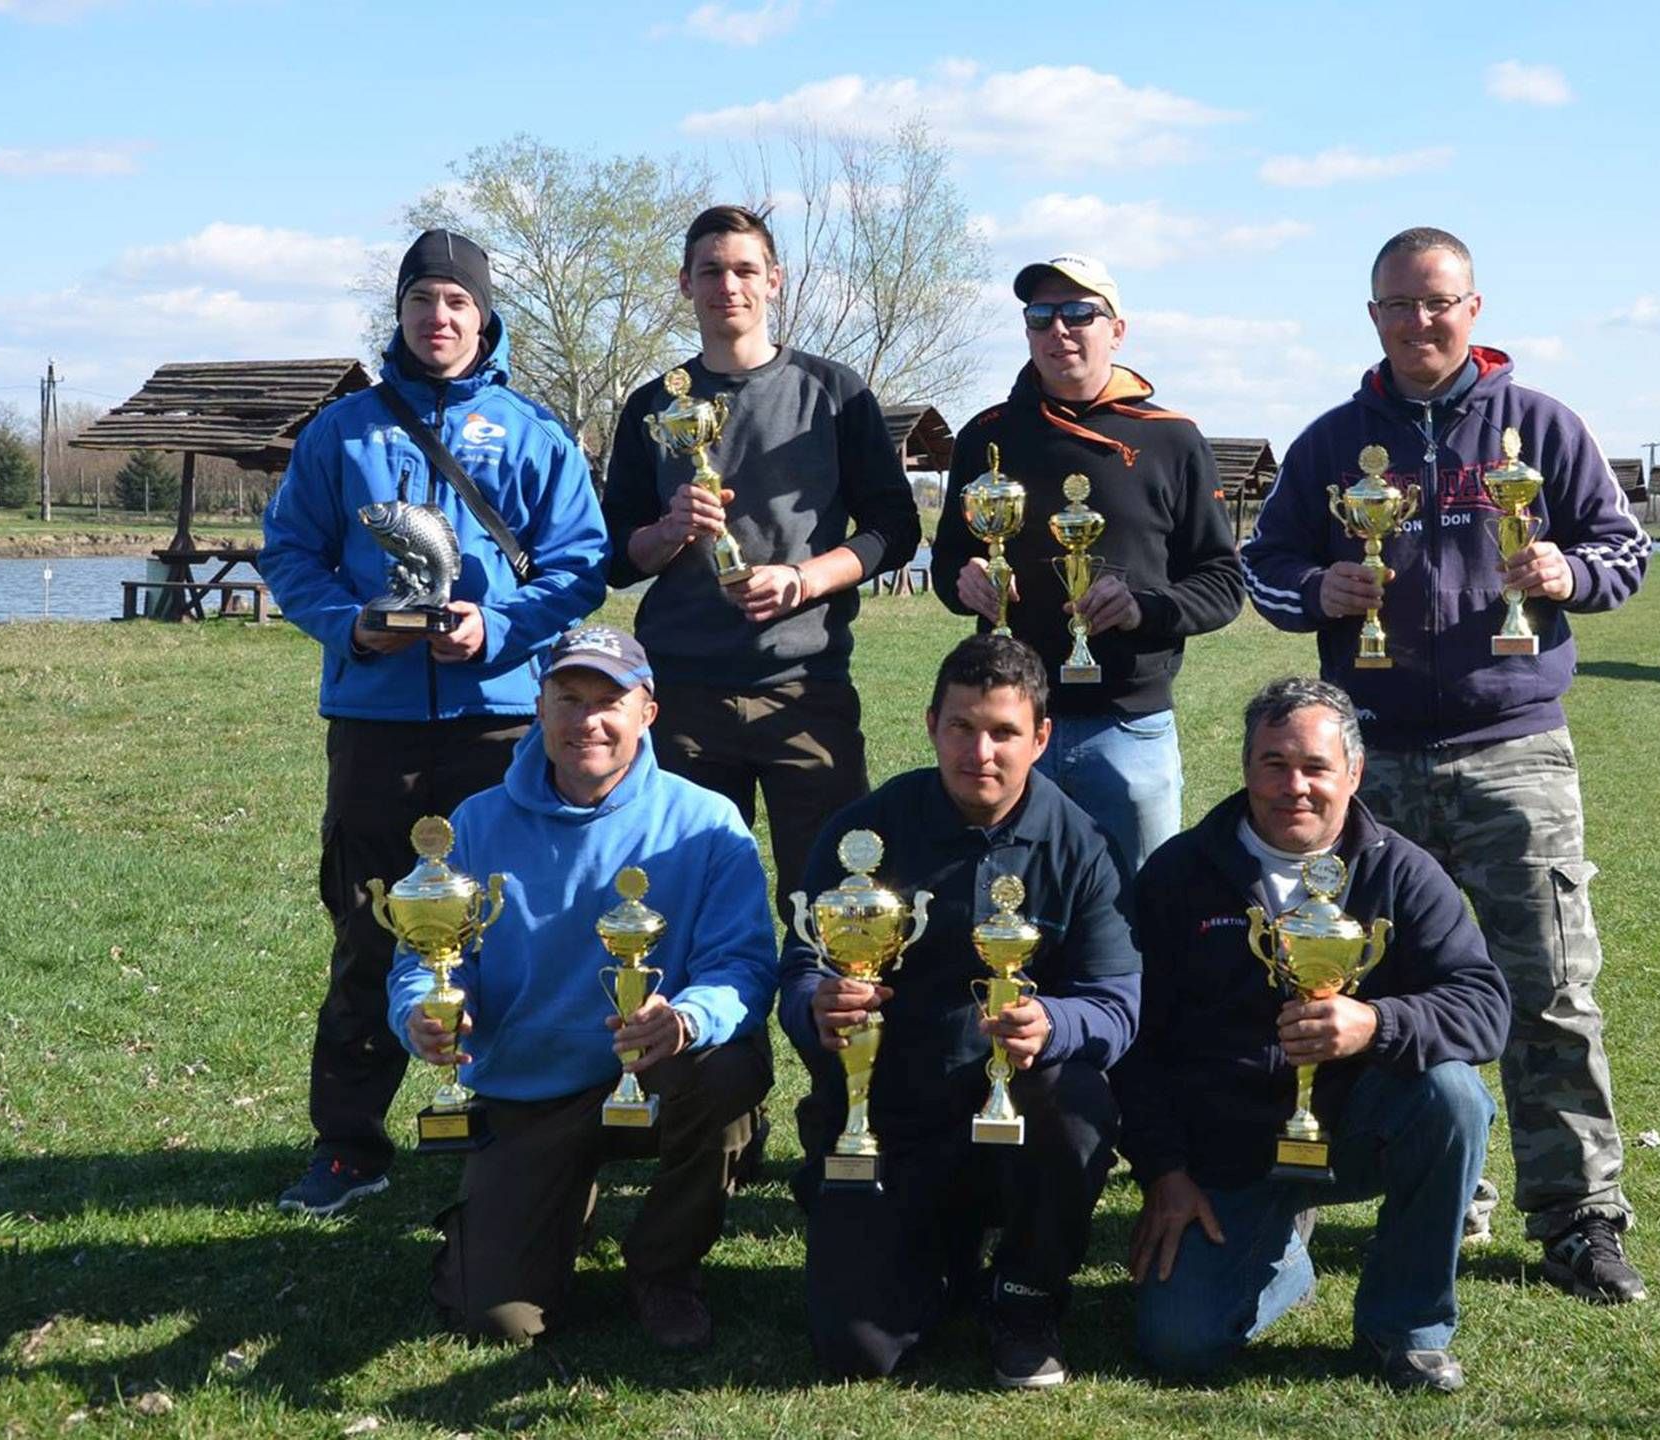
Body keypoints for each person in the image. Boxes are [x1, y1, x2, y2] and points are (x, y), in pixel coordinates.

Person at [1240, 226, 1654, 1303]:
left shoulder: (1543, 427)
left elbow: (1627, 551)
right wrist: (1320, 590)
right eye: (1398, 304)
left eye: (1439, 303)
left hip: (1512, 750)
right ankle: (1442, 1189)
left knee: (1550, 989)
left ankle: (1579, 1215)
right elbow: (1264, 568)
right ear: (1371, 315)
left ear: (1474, 309)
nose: (1420, 322)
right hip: (1368, 770)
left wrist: (1567, 568)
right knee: (1386, 982)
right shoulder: (1335, 443)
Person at [261, 228, 608, 1217]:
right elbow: (290, 554)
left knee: (513, 923)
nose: (439, 317)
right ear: (401, 314)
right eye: (423, 300)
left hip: (499, 724)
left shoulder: (533, 432)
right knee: (373, 923)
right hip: (374, 723)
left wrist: (499, 630)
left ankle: (518, 1119)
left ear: (485, 317)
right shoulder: (344, 434)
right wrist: (352, 629)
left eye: (457, 302)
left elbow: (581, 565)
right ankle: (348, 1144)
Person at [1115, 676, 1509, 1392]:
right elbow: (1134, 1042)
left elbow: (1485, 1006)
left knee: (1453, 1096)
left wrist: (1377, 1024)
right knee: (1180, 1345)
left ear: (1353, 774)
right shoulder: (1179, 874)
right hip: (1227, 1150)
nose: (1294, 786)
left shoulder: (1401, 872)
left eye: (1316, 767)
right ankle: (1285, 1258)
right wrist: (1164, 1172)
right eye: (1273, 764)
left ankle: (1406, 1328)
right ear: (1244, 768)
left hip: (1359, 1128)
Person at [388, 625, 777, 1349]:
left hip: (658, 1073)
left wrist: (687, 1018)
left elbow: (745, 966)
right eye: (569, 699)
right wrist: (423, 1008)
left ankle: (664, 1268)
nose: (587, 722)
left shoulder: (708, 822)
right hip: (530, 1091)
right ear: (539, 707)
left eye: (610, 701)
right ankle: (547, 1203)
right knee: (499, 1321)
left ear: (647, 713)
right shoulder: (475, 824)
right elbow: (423, 958)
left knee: (727, 1071)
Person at [777, 634, 1141, 1388]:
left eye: (1005, 731)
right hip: (891, 1114)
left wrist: (1055, 1025)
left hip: (1021, 1116)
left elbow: (1118, 1000)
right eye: (962, 727)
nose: (981, 750)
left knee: (1077, 1099)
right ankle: (923, 1246)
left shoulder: (1083, 845)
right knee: (857, 1353)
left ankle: (1025, 1296)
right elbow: (802, 963)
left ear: (1041, 738)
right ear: (930, 724)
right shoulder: (862, 835)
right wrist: (818, 1003)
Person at [602, 204, 921, 925]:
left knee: (834, 910)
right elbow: (617, 560)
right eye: (710, 271)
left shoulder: (835, 394)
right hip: (682, 695)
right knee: (682, 908)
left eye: (745, 269)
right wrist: (669, 531)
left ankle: (832, 1036)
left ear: (774, 281)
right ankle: (702, 1038)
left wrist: (805, 580)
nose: (729, 286)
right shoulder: (653, 406)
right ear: (685, 284)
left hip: (806, 687)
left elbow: (893, 530)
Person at [930, 253, 1243, 874]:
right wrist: (964, 581)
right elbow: (948, 562)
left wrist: (1144, 609)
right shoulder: (985, 436)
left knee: (1143, 914)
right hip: (1009, 723)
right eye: (1041, 316)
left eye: (1079, 313)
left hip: (1129, 724)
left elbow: (1222, 581)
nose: (1059, 331)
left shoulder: (1172, 437)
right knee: (1009, 911)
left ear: (1116, 330)